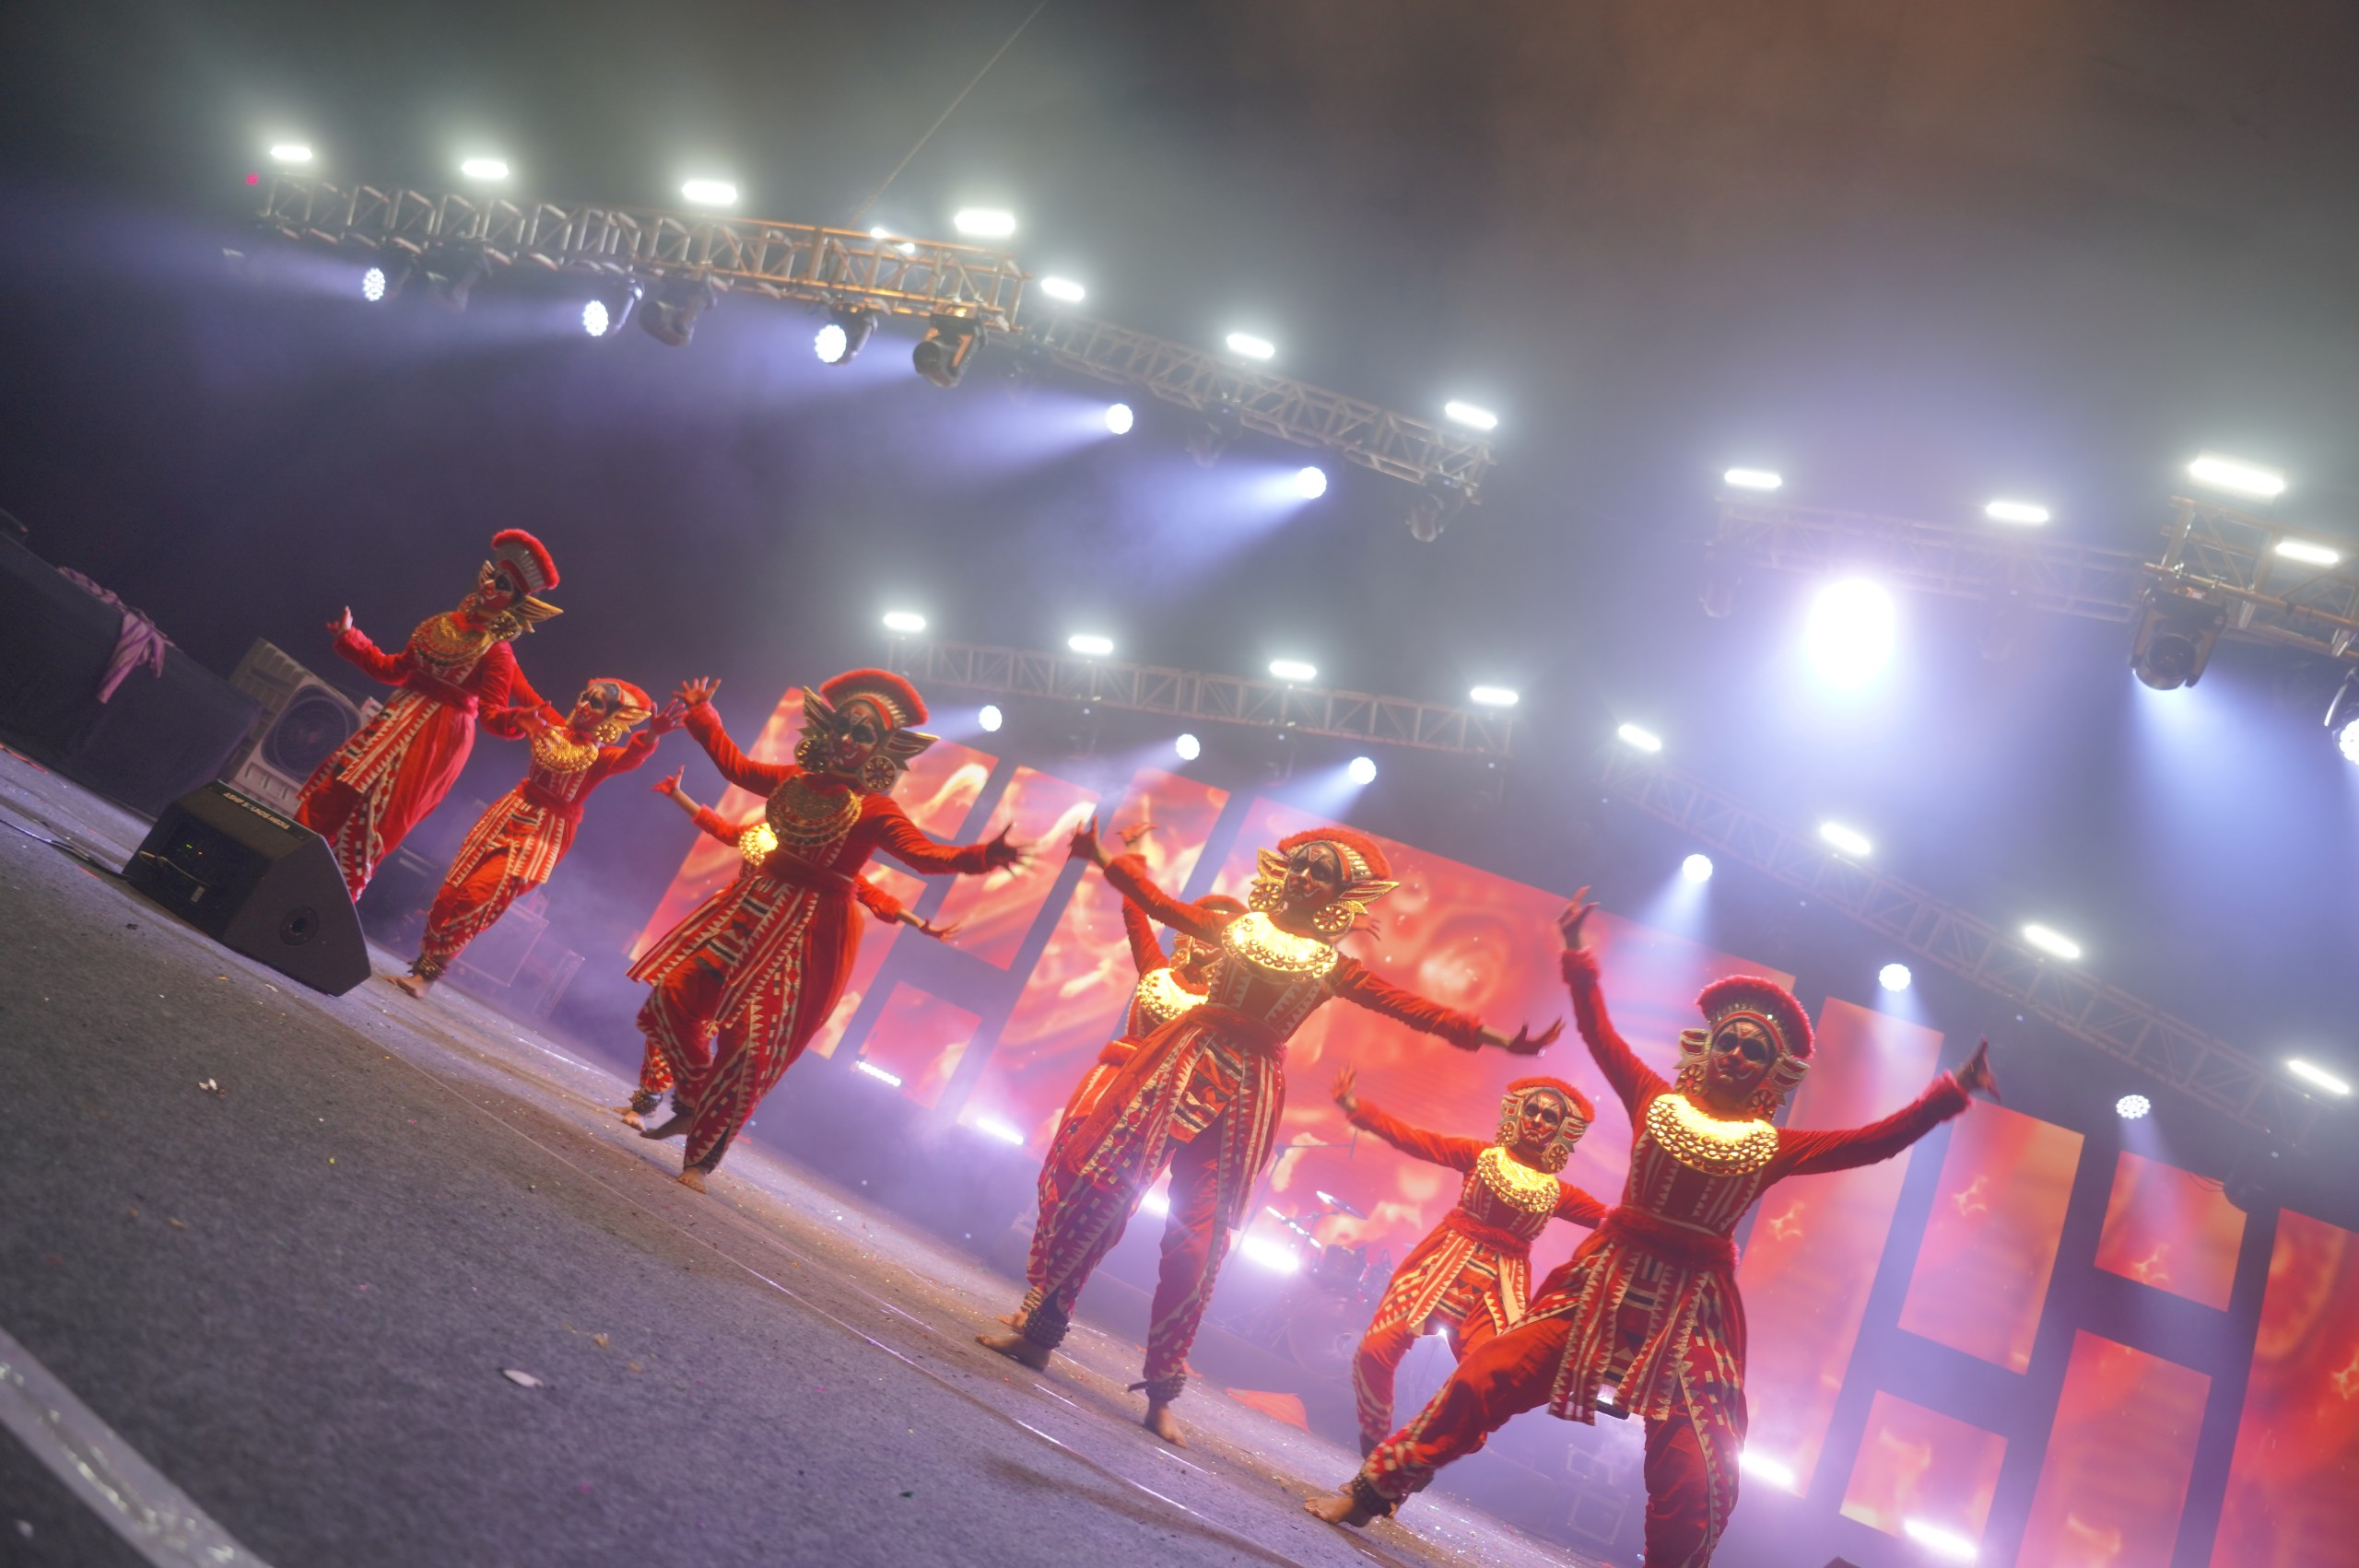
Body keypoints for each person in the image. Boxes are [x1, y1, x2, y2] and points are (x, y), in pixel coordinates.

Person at [1309, 890, 1999, 1565]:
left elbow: (1873, 1142)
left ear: (1772, 1072)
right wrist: (1577, 953)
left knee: (1701, 1473)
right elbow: (1600, 1034)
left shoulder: (1772, 1146)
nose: (1737, 1053)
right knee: (1481, 1378)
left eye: (1753, 1050)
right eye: (1729, 1040)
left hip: (1693, 1307)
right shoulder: (1655, 1101)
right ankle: (1371, 1492)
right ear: (1707, 1046)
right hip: (1602, 1282)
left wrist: (1952, 1091)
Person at [980, 819, 1563, 1446]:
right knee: (1102, 1195)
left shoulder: (1330, 965)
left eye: (1322, 873)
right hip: (1179, 1062)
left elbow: (1410, 1008)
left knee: (1198, 1243)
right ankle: (1039, 1332)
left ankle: (1161, 1391)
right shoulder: (1239, 928)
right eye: (1301, 865)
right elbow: (1159, 906)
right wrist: (1105, 855)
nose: (1306, 876)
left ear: (1341, 894)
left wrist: (1496, 1038)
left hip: (1246, 1093)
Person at [630, 671, 1026, 1189]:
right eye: (841, 726)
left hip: (810, 931)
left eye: (862, 733)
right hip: (752, 908)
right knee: (672, 998)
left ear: (881, 749)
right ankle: (694, 1099)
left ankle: (699, 1159)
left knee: (751, 1046)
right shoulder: (794, 780)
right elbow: (737, 768)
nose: (846, 738)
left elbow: (925, 856)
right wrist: (704, 715)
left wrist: (982, 857)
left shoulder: (876, 809)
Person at [614, 766, 961, 1129]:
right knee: (674, 1011)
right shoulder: (761, 834)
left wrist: (919, 923)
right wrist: (676, 795)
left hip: (764, 952)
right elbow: (722, 829)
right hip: (729, 930)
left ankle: (693, 1110)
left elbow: (871, 894)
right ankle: (651, 1099)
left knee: (717, 1029)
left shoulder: (818, 859)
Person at [1002, 820, 1247, 1330]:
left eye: (1219, 935)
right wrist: (1133, 853)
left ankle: (1049, 1310)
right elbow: (1135, 907)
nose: (1206, 940)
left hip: (1153, 1106)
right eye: (1202, 926)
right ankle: (1038, 1294)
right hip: (1104, 1086)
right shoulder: (1156, 969)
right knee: (1059, 1177)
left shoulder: (1221, 1007)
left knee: (1106, 1201)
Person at [1332, 1065, 1605, 1454]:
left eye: (1549, 1117)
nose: (1537, 1121)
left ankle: (1420, 1458)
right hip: (1441, 1263)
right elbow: (1418, 1141)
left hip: (1499, 1288)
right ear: (1517, 1114)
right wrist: (1358, 1109)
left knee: (1482, 1386)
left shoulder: (1558, 1192)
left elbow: (1617, 1221)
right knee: (1374, 1351)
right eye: (1532, 1110)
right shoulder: (1480, 1156)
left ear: (1560, 1132)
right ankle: (1375, 1442)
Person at [297, 530, 559, 898]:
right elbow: (395, 669)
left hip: (437, 737)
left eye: (502, 584)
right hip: (397, 716)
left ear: (514, 603)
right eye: (492, 576)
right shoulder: (442, 623)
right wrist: (350, 637)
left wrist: (516, 720)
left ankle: (326, 899)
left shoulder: (497, 652)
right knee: (340, 786)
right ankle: (287, 865)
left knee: (379, 815)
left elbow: (491, 714)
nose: (490, 585)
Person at [393, 679, 680, 997]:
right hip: (508, 812)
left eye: (596, 703)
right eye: (585, 696)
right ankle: (422, 967)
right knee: (451, 891)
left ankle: (429, 976)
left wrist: (653, 734)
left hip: (543, 833)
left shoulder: (600, 758)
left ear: (610, 718)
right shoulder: (553, 724)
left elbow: (631, 758)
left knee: (477, 897)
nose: (584, 705)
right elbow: (521, 687)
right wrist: (501, 652)